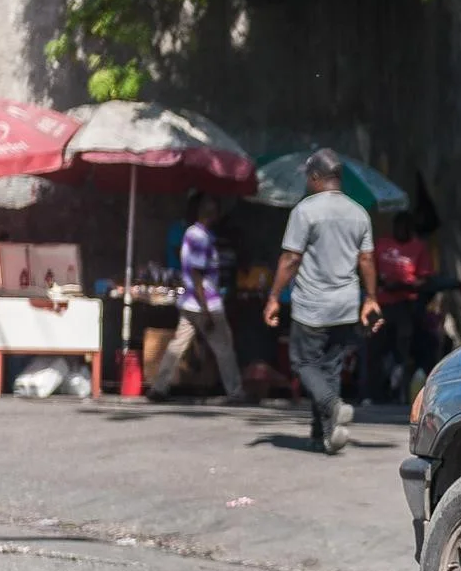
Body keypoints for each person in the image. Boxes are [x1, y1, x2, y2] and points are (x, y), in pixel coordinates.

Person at [264, 149, 382, 453]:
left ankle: (332, 406)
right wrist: (370, 298)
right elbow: (367, 259)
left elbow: (291, 258)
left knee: (302, 362)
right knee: (329, 369)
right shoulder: (359, 213)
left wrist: (274, 296)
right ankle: (324, 435)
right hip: (345, 305)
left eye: (307, 177)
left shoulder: (305, 211)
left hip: (312, 306)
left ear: (316, 177)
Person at [148, 192, 244, 403]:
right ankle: (235, 391)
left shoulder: (196, 234)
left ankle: (159, 386)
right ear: (212, 214)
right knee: (224, 348)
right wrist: (207, 309)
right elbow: (196, 274)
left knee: (177, 345)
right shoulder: (199, 236)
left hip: (190, 302)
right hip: (204, 302)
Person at [374, 212, 435, 400]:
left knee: (406, 340)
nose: (400, 230)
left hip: (406, 303)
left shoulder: (419, 247)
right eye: (397, 226)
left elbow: (424, 280)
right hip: (381, 303)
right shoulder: (382, 245)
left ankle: (402, 386)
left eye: (405, 226)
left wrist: (401, 285)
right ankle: (372, 391)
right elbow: (370, 272)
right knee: (374, 346)